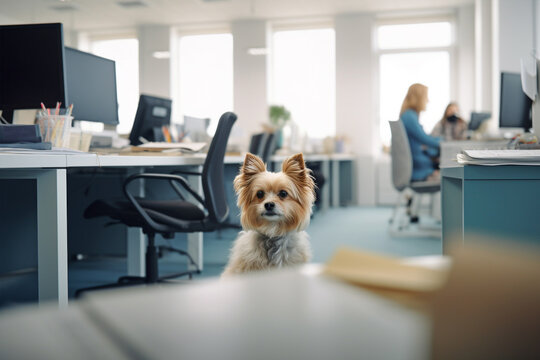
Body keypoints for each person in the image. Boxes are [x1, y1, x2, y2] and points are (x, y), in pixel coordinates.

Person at [399, 83, 441, 182]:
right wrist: (442, 141)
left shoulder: (410, 115)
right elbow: (424, 139)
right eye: (426, 97)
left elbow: (423, 141)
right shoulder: (409, 116)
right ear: (419, 98)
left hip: (420, 164)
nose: (428, 100)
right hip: (420, 169)